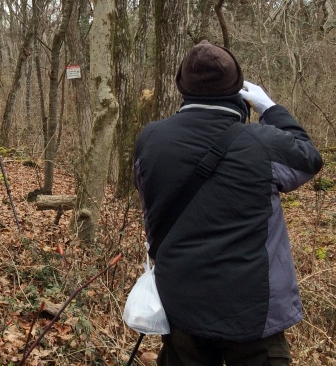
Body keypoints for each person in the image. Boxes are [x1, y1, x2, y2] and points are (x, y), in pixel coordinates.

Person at [134, 40, 324, 365]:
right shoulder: (262, 143)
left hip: (182, 305)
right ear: (237, 89)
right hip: (254, 313)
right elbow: (308, 159)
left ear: (182, 86)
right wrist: (271, 109)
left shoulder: (151, 139)